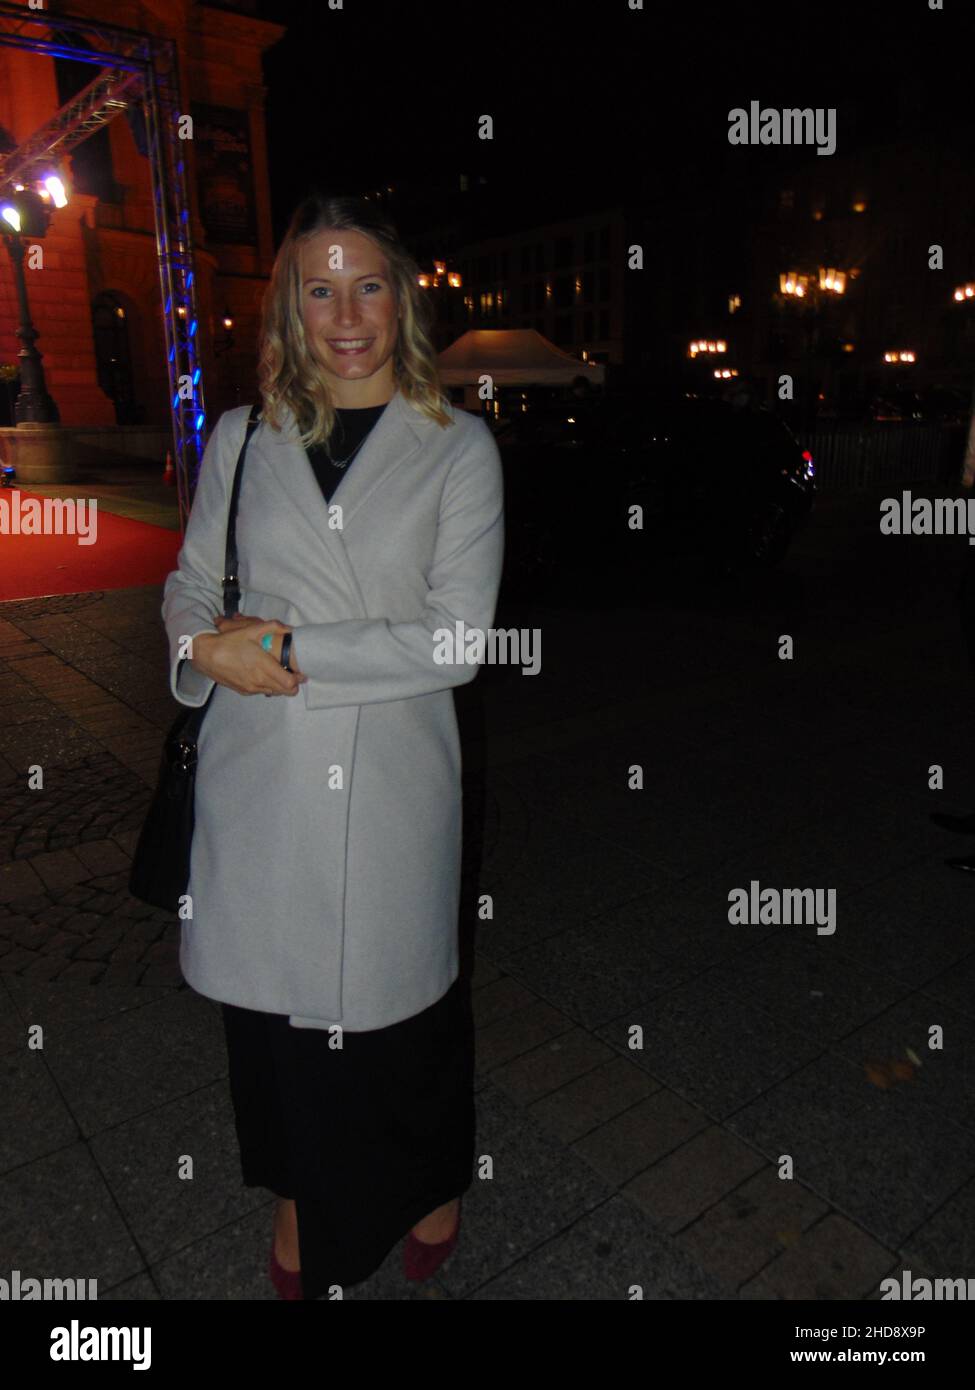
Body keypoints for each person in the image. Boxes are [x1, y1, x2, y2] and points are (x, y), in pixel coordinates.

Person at [160, 193, 505, 1298]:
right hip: (258, 782)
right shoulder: (243, 435)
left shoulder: (458, 447)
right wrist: (198, 650)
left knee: (405, 1019)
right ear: (289, 304)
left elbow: (457, 638)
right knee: (272, 1033)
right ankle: (303, 1204)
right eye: (319, 287)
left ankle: (434, 1176)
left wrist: (293, 646)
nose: (344, 312)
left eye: (367, 285)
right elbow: (185, 584)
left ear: (402, 298)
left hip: (394, 779)